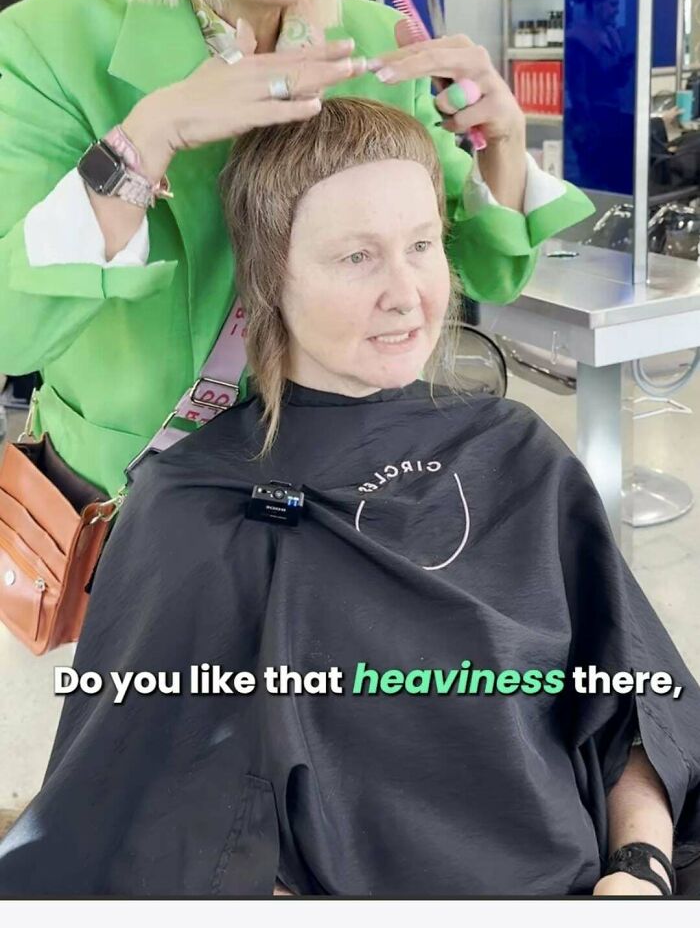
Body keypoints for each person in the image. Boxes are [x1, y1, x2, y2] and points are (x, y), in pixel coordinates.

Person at [0, 99, 698, 899]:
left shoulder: (519, 451)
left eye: (422, 246)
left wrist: (638, 868)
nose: (406, 294)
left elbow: (635, 702)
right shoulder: (192, 506)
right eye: (358, 257)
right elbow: (135, 833)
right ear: (271, 276)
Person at [0, 0, 592, 502]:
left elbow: (487, 269)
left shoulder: (379, 45)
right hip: (138, 507)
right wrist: (153, 135)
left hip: (342, 497)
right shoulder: (48, 42)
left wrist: (502, 145)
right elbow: (15, 329)